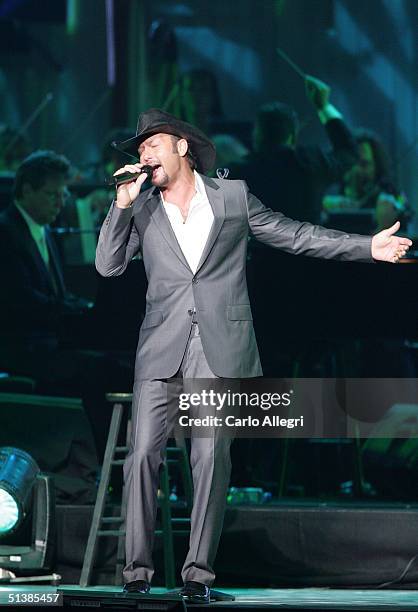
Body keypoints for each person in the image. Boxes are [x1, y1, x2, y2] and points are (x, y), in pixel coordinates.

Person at [95, 108, 411, 603]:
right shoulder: (143, 207)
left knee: (211, 459)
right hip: (160, 350)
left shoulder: (232, 198)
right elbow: (108, 266)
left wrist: (365, 247)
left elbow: (297, 235)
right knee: (140, 458)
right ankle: (136, 573)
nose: (143, 154)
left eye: (151, 144)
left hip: (218, 349)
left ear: (182, 146)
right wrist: (121, 204)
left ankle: (196, 576)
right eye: (139, 149)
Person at [0, 150, 134, 500]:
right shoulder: (5, 233)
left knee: (117, 366)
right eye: (52, 194)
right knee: (104, 372)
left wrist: (82, 309)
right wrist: (74, 312)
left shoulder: (42, 232)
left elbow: (53, 298)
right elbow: (19, 301)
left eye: (63, 195)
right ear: (26, 190)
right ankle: (108, 474)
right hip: (22, 349)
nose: (60, 202)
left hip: (48, 341)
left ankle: (112, 469)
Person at [229, 76, 357, 224]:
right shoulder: (311, 164)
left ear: (256, 135)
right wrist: (323, 106)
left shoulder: (236, 174)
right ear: (293, 135)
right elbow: (349, 152)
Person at [323, 129, 411, 232]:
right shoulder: (327, 197)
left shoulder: (390, 203)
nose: (356, 171)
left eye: (363, 164)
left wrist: (383, 226)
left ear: (376, 167)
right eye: (350, 164)